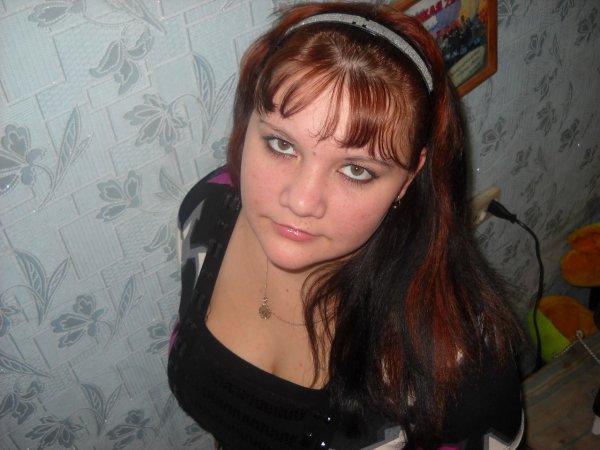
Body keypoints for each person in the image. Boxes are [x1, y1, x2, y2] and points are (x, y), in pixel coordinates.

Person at [168, 2, 524, 449]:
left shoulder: (457, 356)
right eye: (281, 144)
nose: (300, 201)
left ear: (408, 179)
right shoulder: (206, 212)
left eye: (356, 170)